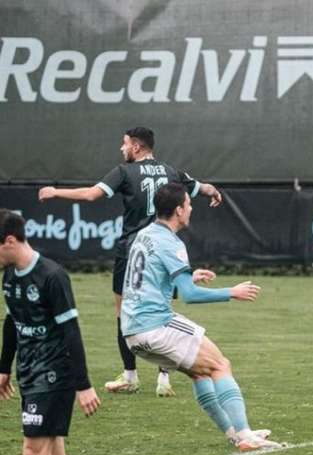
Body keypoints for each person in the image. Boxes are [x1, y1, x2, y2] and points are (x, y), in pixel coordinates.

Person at [38, 127, 223, 397]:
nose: (121, 149)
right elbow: (200, 188)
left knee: (123, 312)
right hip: (162, 248)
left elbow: (91, 195)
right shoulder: (171, 171)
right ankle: (164, 380)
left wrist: (55, 192)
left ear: (136, 147)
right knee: (163, 309)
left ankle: (130, 376)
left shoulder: (124, 172)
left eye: (124, 144)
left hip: (133, 250)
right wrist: (214, 192)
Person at [119, 182, 279, 451]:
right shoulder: (172, 243)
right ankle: (246, 435)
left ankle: (233, 434)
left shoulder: (144, 235)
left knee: (200, 374)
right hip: (155, 325)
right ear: (179, 210)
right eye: (189, 204)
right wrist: (232, 292)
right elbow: (191, 296)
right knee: (219, 365)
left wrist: (186, 277)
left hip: (131, 331)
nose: (191, 208)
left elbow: (149, 281)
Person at [0, 209, 105, 455]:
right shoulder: (9, 276)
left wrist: (82, 385)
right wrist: (4, 368)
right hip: (30, 376)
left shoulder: (52, 276)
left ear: (9, 241)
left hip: (54, 376)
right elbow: (12, 321)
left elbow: (71, 332)